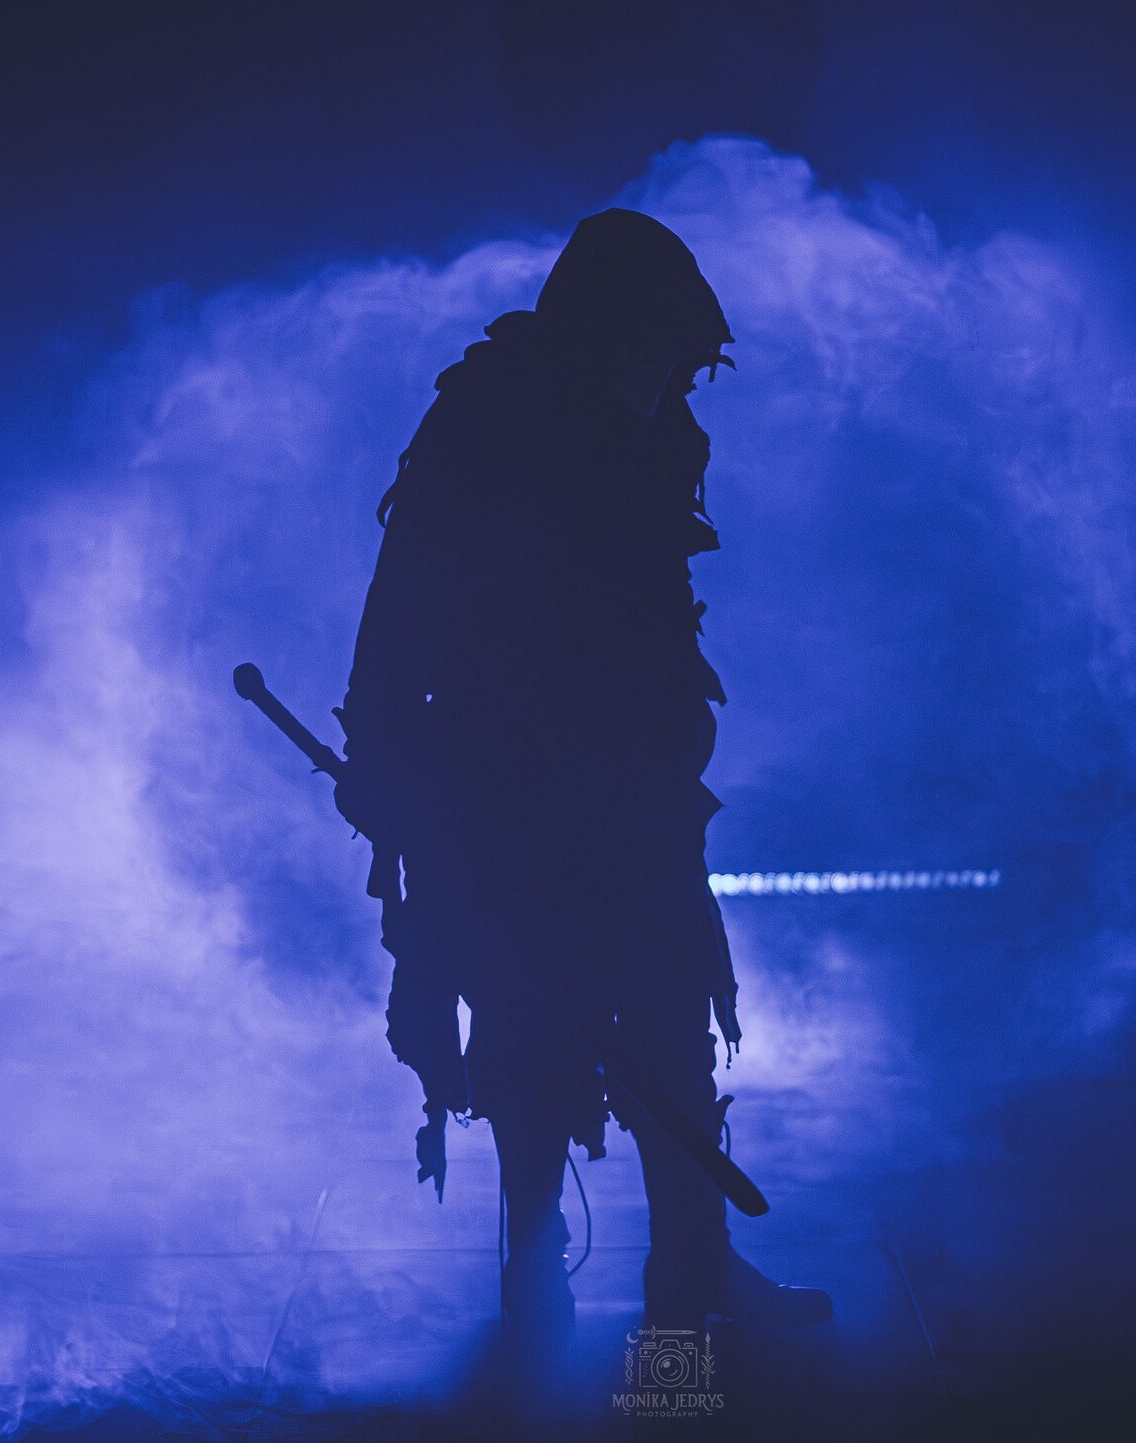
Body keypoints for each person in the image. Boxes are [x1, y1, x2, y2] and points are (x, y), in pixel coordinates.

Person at [334, 208, 831, 1339]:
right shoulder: (488, 423)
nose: (661, 372)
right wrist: (381, 754)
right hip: (507, 793)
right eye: (642, 345)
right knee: (528, 1035)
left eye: (673, 354)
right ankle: (533, 1285)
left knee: (668, 1027)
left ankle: (691, 1284)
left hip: (638, 795)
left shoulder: (656, 433)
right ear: (599, 331)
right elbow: (403, 599)